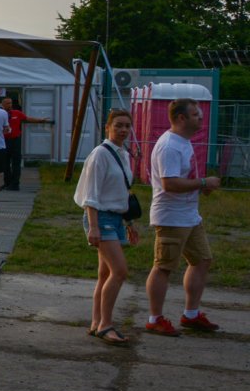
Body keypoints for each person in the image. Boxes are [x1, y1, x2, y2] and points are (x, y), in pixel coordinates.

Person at [144, 99, 222, 337]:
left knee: (202, 260)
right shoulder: (169, 146)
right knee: (163, 267)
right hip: (171, 217)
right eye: (195, 114)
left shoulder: (183, 142)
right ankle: (154, 319)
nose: (201, 118)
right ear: (181, 118)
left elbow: (182, 179)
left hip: (189, 216)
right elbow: (169, 184)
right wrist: (201, 183)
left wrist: (200, 187)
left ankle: (190, 315)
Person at [74, 110, 140, 345]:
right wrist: (93, 227)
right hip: (100, 218)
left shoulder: (122, 153)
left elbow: (121, 190)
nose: (123, 130)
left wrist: (129, 222)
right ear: (107, 127)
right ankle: (106, 325)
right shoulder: (99, 155)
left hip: (116, 218)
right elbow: (91, 195)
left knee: (105, 274)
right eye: (119, 125)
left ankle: (96, 322)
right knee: (119, 271)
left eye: (127, 126)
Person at [0, 96, 49, 192]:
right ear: (2, 105)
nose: (10, 105)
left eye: (10, 103)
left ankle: (15, 184)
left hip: (15, 141)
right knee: (5, 164)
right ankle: (7, 183)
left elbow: (27, 118)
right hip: (3, 141)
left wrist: (40, 120)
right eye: (7, 103)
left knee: (16, 163)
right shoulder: (0, 114)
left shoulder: (17, 113)